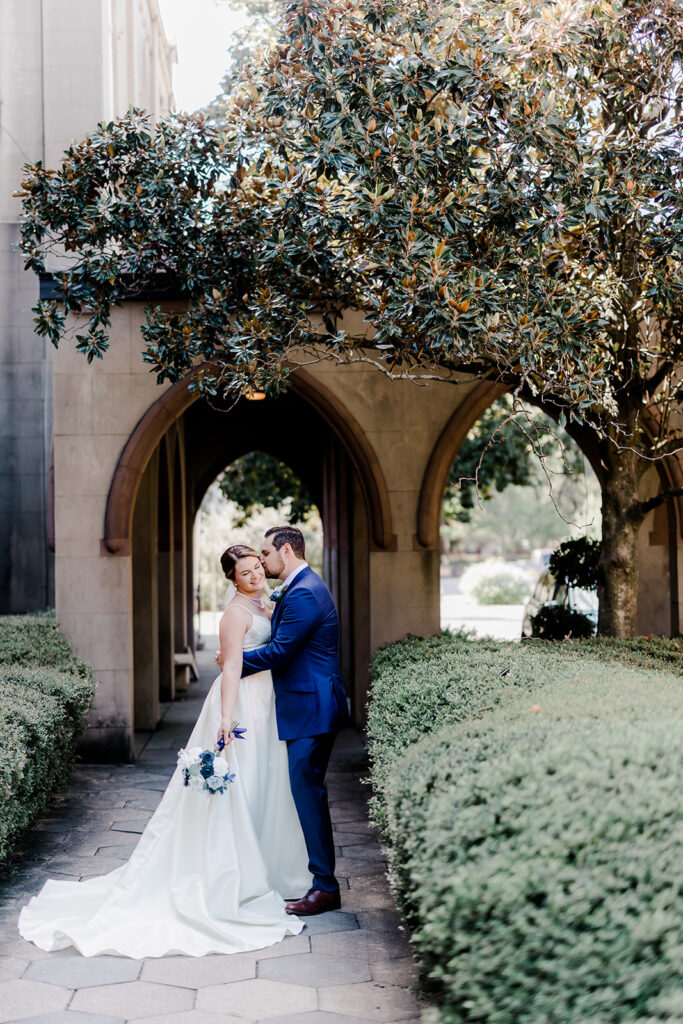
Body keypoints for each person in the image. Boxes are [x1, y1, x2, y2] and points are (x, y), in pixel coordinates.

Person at [18, 545, 311, 958]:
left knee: (265, 782)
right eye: (245, 573)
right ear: (232, 580)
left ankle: (267, 866)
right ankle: (236, 878)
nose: (255, 576)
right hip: (243, 706)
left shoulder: (266, 607)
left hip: (269, 707)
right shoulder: (235, 614)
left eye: (257, 568)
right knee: (241, 788)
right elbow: (229, 667)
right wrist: (226, 719)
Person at [217, 525, 351, 916]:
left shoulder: (305, 592)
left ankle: (325, 887)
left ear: (286, 551)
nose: (262, 561)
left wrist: (233, 662)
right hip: (306, 707)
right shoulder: (296, 588)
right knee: (304, 793)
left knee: (308, 795)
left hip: (312, 710)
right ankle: (314, 879)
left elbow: (280, 651)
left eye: (266, 554)